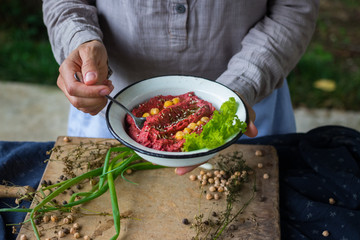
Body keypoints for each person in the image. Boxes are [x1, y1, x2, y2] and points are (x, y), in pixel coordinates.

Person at [42, 1, 319, 174]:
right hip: (110, 104)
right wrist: (79, 41)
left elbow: (295, 7)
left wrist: (242, 85)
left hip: (248, 104)